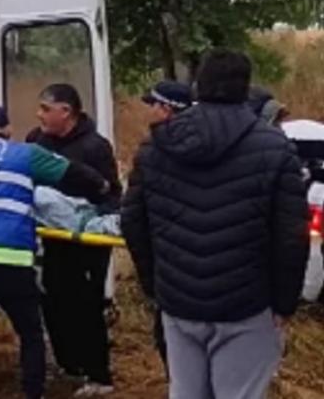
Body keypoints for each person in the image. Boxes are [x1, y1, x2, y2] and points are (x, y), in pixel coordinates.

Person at [122, 49, 308, 399]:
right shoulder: (274, 147)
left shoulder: (156, 145)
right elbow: (290, 237)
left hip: (178, 303)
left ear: (197, 86)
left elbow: (133, 222)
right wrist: (285, 304)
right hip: (247, 306)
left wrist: (155, 287)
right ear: (246, 88)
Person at [0, 105, 111, 399]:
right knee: (30, 333)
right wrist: (103, 187)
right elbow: (71, 172)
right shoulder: (26, 154)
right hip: (11, 257)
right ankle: (33, 393)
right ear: (8, 130)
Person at [26, 83, 121, 396]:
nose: (39, 114)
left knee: (86, 305)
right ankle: (69, 364)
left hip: (85, 242)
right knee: (53, 301)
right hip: (51, 239)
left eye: (45, 108)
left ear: (66, 111)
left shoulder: (95, 147)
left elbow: (111, 194)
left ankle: (98, 375)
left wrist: (94, 226)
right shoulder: (35, 141)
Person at [138, 80, 194, 375]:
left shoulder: (152, 152)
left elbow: (135, 218)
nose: (148, 112)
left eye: (153, 106)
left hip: (169, 268)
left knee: (174, 346)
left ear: (167, 110)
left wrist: (149, 279)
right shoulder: (215, 146)